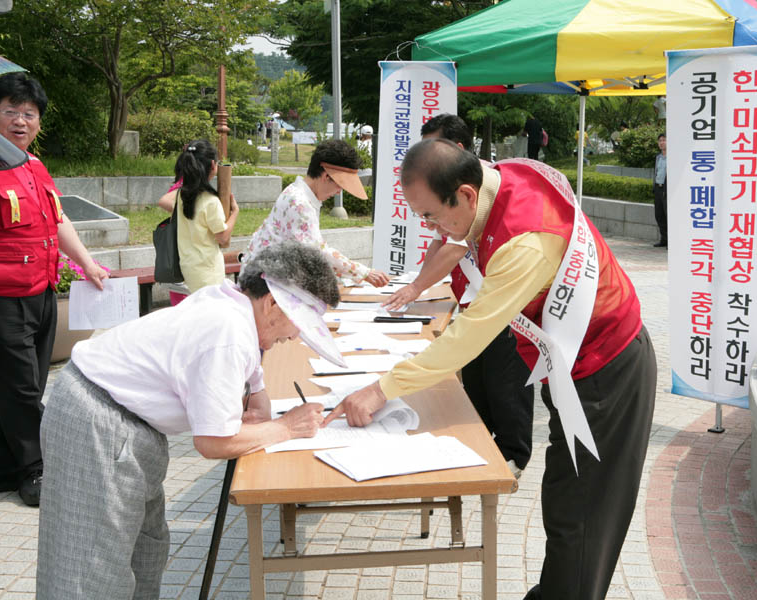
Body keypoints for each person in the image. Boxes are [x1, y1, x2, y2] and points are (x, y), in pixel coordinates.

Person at [327, 139, 657, 600]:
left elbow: (471, 335)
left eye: (431, 216)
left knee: (581, 512)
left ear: (464, 194)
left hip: (608, 369)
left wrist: (382, 389)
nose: (431, 228)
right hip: (570, 365)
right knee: (568, 499)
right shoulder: (495, 182)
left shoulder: (526, 239)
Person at [37, 241, 340, 599]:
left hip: (125, 422)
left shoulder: (231, 303)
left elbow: (251, 367)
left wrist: (258, 395)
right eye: (297, 324)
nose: (294, 336)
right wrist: (286, 428)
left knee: (145, 554)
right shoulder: (226, 332)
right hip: (99, 420)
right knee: (93, 573)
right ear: (272, 302)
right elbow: (214, 442)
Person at [382, 113, 534, 477]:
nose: (431, 224)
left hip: (505, 305)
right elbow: (441, 240)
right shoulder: (449, 193)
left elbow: (453, 246)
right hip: (473, 299)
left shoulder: (478, 191)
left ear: (457, 148)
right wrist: (417, 283)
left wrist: (416, 288)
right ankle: (484, 443)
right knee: (479, 379)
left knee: (505, 381)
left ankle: (512, 455)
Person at [0, 72, 108, 507]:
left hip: (42, 291)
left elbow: (57, 220)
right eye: (10, 111)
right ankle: (37, 470)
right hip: (5, 298)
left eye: (29, 113)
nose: (20, 121)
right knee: (23, 388)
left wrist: (87, 264)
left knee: (27, 382)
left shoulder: (34, 167)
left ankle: (8, 468)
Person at [245, 138, 389, 286]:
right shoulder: (300, 203)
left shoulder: (296, 192)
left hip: (265, 275)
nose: (339, 192)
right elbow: (317, 253)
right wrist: (364, 272)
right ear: (326, 176)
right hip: (263, 284)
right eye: (340, 186)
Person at [158, 140, 239, 293]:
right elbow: (222, 238)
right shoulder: (210, 201)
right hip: (208, 272)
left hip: (189, 269)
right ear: (213, 165)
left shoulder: (181, 195)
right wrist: (235, 213)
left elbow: (163, 200)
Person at [653, 133, 668, 248]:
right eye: (660, 141)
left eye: (664, 140)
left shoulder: (672, 157)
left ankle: (671, 241)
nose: (661, 143)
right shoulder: (658, 157)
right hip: (658, 188)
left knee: (668, 215)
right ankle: (664, 239)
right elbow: (656, 172)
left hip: (666, 189)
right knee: (659, 215)